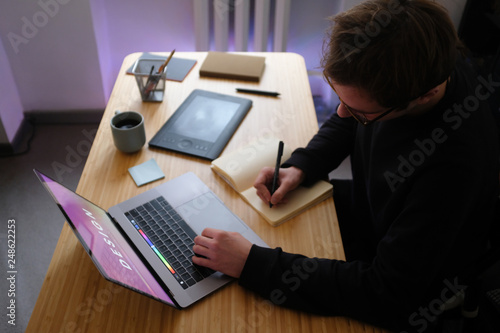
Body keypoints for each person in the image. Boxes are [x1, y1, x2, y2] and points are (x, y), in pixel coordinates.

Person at [192, 0, 500, 331]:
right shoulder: (418, 61)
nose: (340, 114)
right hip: (373, 210)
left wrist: (252, 264)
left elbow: (387, 294)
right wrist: (303, 165)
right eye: (341, 100)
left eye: (360, 113)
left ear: (424, 96)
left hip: (408, 282)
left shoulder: (452, 170)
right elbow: (349, 116)